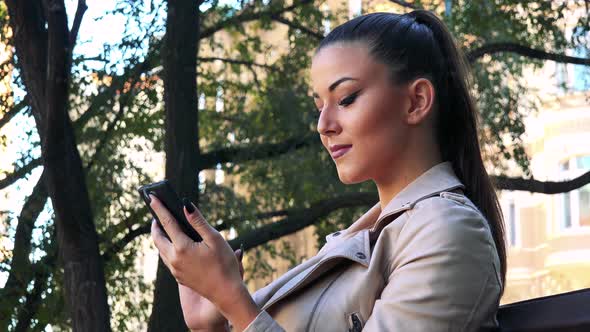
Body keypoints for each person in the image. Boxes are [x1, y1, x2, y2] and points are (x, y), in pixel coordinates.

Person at [149, 9, 506, 332]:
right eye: (319, 106)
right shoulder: (361, 239)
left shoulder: (448, 231)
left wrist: (232, 300)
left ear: (416, 101)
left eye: (346, 98)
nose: (323, 125)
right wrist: (208, 324)